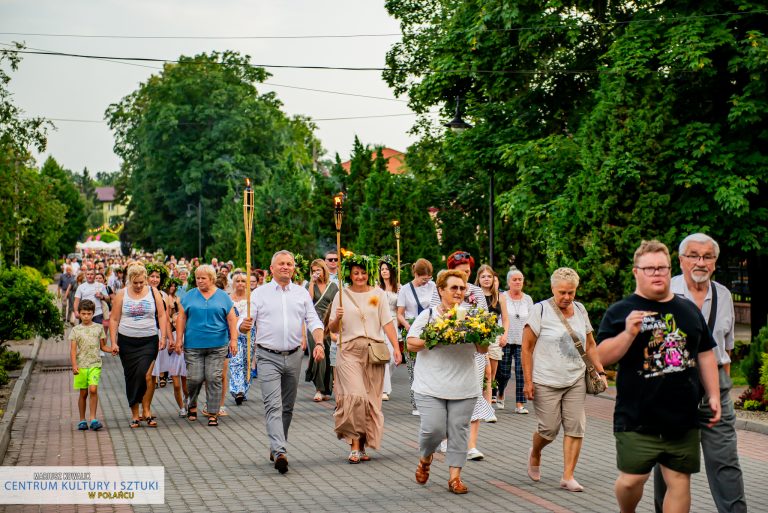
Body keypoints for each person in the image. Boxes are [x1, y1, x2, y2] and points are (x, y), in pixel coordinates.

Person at [597, 240, 721, 513]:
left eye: (662, 268)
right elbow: (601, 357)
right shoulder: (620, 312)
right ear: (636, 272)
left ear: (670, 269)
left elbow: (705, 353)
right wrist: (628, 333)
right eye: (650, 268)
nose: (657, 274)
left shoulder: (688, 310)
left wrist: (713, 395)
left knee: (679, 482)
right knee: (632, 480)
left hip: (682, 418)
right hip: (637, 418)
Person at [653, 234, 745, 512]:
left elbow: (726, 351)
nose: (700, 262)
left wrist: (723, 388)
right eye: (693, 255)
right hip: (673, 387)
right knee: (670, 461)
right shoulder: (661, 294)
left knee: (725, 461)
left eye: (707, 257)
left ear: (715, 262)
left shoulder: (725, 295)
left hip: (716, 386)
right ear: (680, 260)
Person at [239, 250, 325, 474]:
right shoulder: (259, 293)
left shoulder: (301, 293)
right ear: (272, 269)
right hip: (268, 356)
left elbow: (313, 319)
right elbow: (245, 319)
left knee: (287, 407)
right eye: (281, 264)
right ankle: (280, 451)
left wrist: (318, 343)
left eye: (289, 264)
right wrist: (243, 325)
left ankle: (277, 443)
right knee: (273, 405)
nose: (286, 267)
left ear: (294, 268)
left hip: (295, 355)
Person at [522, 267, 606, 492]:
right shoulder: (539, 311)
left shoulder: (580, 309)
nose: (567, 297)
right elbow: (527, 348)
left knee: (576, 427)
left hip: (576, 378)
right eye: (562, 293)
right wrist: (528, 382)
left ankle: (568, 476)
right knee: (549, 429)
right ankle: (536, 451)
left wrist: (601, 371)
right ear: (552, 289)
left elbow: (590, 344)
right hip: (546, 380)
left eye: (571, 292)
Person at [406, 269, 487, 494]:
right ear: (441, 290)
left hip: (464, 386)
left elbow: (482, 349)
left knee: (459, 430)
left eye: (462, 288)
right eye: (454, 287)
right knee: (434, 429)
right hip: (431, 385)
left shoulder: (473, 317)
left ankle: (455, 478)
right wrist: (434, 337)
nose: (459, 292)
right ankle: (425, 458)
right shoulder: (429, 315)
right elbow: (411, 343)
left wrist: (481, 334)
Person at [328, 254, 402, 464]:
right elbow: (332, 329)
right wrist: (337, 318)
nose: (359, 277)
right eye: (355, 273)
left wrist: (396, 348)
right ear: (349, 275)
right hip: (348, 350)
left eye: (362, 273)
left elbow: (387, 322)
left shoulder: (378, 294)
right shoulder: (341, 294)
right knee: (355, 396)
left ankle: (362, 444)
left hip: (374, 350)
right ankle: (353, 446)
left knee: (370, 400)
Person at [175, 264, 238, 427]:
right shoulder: (189, 296)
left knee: (214, 377)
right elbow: (181, 318)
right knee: (194, 378)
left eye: (203, 278)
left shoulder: (223, 296)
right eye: (197, 278)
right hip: (193, 344)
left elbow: (232, 319)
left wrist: (233, 340)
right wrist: (178, 340)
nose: (200, 281)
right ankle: (192, 403)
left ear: (211, 279)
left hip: (218, 344)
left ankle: (213, 412)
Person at [110, 264, 167, 428]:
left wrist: (163, 336)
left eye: (142, 282)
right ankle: (135, 414)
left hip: (149, 340)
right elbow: (114, 319)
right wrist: (113, 341)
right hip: (127, 341)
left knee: (145, 374)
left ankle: (147, 409)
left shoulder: (153, 292)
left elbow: (162, 315)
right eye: (135, 283)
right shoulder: (122, 294)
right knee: (131, 377)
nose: (139, 286)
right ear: (130, 280)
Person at [397, 258, 436, 416]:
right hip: (412, 330)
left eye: (428, 278)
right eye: (423, 278)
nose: (426, 281)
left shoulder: (433, 287)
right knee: (414, 369)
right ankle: (416, 404)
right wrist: (408, 326)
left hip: (430, 331)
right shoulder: (405, 289)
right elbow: (399, 314)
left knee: (431, 367)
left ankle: (431, 401)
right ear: (415, 274)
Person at [70, 299, 114, 431]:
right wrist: (74, 365)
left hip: (95, 364)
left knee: (93, 390)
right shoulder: (76, 330)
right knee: (83, 393)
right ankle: (82, 420)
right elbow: (72, 350)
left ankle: (93, 418)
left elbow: (103, 346)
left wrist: (113, 349)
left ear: (93, 313)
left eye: (89, 314)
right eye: (83, 314)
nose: (86, 316)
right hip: (81, 365)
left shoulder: (98, 328)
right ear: (79, 313)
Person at [498, 267, 534, 413]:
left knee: (521, 371)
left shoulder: (528, 299)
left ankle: (520, 403)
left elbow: (532, 320)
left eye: (520, 279)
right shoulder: (503, 297)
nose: (518, 282)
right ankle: (500, 391)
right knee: (504, 372)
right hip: (505, 339)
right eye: (514, 279)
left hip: (522, 341)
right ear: (508, 282)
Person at [305, 259, 338, 401]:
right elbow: (309, 300)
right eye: (313, 271)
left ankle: (327, 387)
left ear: (324, 270)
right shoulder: (309, 285)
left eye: (318, 270)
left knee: (329, 356)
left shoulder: (333, 286)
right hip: (314, 324)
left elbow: (337, 305)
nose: (316, 273)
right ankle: (319, 389)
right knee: (318, 354)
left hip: (329, 323)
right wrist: (312, 282)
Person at [475, 264, 509, 403]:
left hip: (494, 336)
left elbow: (506, 319)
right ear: (479, 278)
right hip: (478, 336)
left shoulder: (500, 297)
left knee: (492, 373)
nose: (487, 279)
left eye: (489, 276)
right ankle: (480, 401)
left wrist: (504, 335)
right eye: (483, 276)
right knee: (483, 371)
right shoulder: (474, 295)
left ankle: (486, 401)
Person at [164, 278, 188, 417]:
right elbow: (167, 350)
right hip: (173, 360)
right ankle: (181, 408)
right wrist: (170, 347)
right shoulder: (171, 335)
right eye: (173, 321)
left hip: (184, 360)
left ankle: (187, 401)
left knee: (185, 386)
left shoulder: (185, 333)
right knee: (176, 385)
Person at [229, 271, 254, 406]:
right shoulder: (228, 298)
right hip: (233, 333)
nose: (240, 283)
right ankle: (237, 389)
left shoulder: (251, 299)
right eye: (237, 281)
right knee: (235, 360)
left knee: (246, 361)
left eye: (243, 281)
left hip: (249, 333)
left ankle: (244, 388)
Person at [378, 256, 400, 401]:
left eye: (386, 269)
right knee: (384, 356)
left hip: (394, 321)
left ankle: (383, 383)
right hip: (380, 323)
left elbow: (401, 308)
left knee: (393, 358)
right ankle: (384, 389)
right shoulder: (376, 288)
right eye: (382, 269)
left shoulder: (399, 287)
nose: (384, 271)